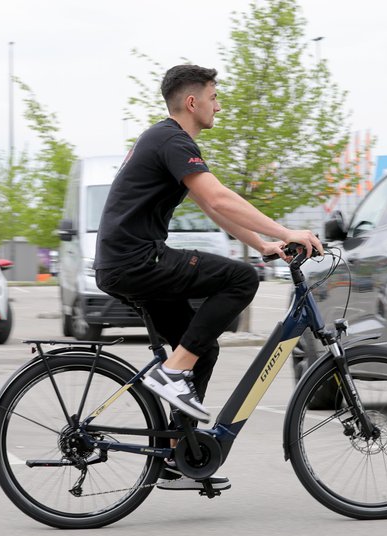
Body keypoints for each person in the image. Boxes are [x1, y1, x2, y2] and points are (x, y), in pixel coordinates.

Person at [94, 64, 322, 490]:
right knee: (241, 281)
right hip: (137, 260)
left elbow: (212, 207)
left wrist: (262, 244)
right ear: (192, 101)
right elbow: (218, 196)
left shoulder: (167, 140)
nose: (219, 104)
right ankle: (172, 374)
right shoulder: (171, 138)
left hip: (124, 262)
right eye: (214, 97)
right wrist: (287, 231)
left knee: (203, 349)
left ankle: (181, 455)